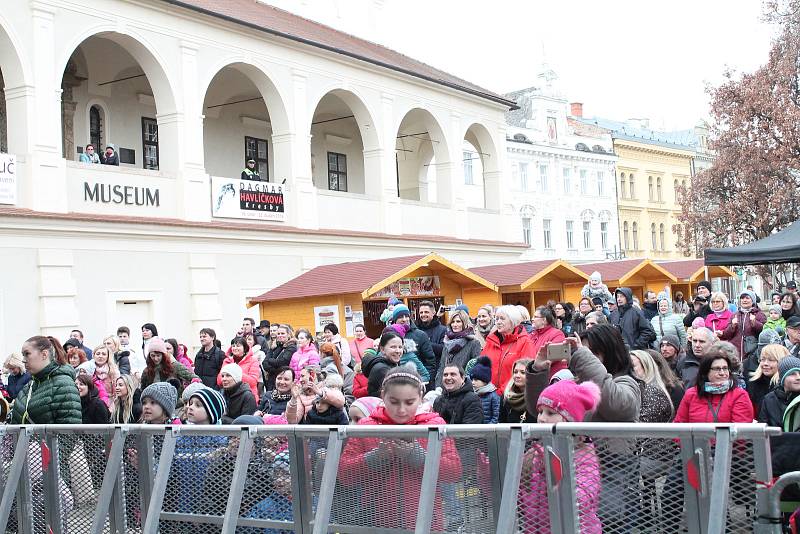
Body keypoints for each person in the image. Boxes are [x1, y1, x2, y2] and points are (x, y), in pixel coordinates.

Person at [527, 324, 640, 533]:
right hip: (574, 466)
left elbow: (615, 404)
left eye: (590, 353)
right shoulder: (575, 385)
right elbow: (543, 406)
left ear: (608, 352)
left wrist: (582, 357)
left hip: (613, 472)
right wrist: (539, 368)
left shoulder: (626, 383)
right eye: (580, 352)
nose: (581, 356)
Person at [337, 368, 461, 531]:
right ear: (383, 396)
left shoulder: (435, 425)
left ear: (420, 398)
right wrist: (375, 457)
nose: (401, 410)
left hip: (425, 523)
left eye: (409, 402)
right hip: (377, 523)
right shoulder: (367, 427)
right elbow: (344, 474)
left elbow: (454, 471)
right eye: (394, 402)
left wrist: (418, 456)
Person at [519, 379, 602, 534]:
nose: (542, 418)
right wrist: (493, 473)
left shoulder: (584, 456)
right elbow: (517, 498)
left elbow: (582, 498)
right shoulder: (534, 454)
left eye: (550, 413)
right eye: (540, 412)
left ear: (570, 420)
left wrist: (554, 472)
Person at [674, 346, 754, 423]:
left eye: (725, 368)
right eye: (717, 369)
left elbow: (740, 432)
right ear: (706, 372)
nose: (722, 373)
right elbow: (679, 427)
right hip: (695, 437)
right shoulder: (691, 394)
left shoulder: (739, 395)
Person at [11, 336, 81, 424]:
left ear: (44, 354)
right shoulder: (31, 384)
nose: (23, 360)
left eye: (27, 354)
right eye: (23, 355)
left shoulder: (64, 385)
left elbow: (69, 432)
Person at [481, 305, 536, 392]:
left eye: (502, 319)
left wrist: (501, 393)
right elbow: (481, 367)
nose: (498, 322)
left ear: (513, 321)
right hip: (488, 395)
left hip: (512, 396)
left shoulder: (525, 343)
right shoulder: (491, 341)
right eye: (497, 318)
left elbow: (526, 372)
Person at [435, 309, 484, 387]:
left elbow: (475, 368)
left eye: (458, 321)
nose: (454, 324)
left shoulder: (473, 343)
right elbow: (441, 368)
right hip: (445, 387)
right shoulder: (447, 342)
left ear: (464, 323)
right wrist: (438, 387)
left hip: (463, 388)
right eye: (452, 322)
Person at [390, 304, 437, 385]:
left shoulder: (420, 335)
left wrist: (425, 381)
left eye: (406, 316)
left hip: (417, 382)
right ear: (395, 319)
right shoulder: (388, 335)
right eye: (401, 317)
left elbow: (430, 361)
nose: (404, 319)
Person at [722, 290, 766, 363]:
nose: (744, 300)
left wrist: (755, 323)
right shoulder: (734, 315)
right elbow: (726, 335)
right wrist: (732, 326)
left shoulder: (760, 315)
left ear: (753, 301)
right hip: (735, 353)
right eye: (742, 298)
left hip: (751, 353)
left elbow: (763, 332)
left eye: (747, 298)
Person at [748, 344, 789, 416]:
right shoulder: (753, 384)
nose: (765, 363)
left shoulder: (788, 387)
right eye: (763, 359)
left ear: (782, 362)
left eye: (771, 360)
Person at [760, 356, 800, 427]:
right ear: (783, 378)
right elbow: (763, 428)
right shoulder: (769, 400)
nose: (798, 377)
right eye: (792, 374)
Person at [529, 306, 567, 377]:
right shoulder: (532, 335)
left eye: (535, 317)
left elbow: (554, 356)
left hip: (551, 378)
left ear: (544, 320)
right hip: (535, 376)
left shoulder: (557, 334)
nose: (532, 319)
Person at [362, 332, 403, 397]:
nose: (398, 351)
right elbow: (397, 394)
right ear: (382, 349)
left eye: (400, 347)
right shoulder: (381, 369)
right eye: (393, 347)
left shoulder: (392, 364)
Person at [263, 324, 298, 391]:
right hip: (272, 381)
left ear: (288, 335)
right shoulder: (278, 346)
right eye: (278, 334)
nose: (280, 335)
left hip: (283, 382)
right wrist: (271, 349)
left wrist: (270, 361)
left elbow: (282, 362)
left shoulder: (292, 347)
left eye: (282, 333)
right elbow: (264, 363)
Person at [416, 300, 448, 365]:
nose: (423, 314)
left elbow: (444, 349)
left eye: (426, 312)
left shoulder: (443, 330)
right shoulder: (416, 329)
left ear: (433, 313)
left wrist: (425, 343)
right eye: (421, 312)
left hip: (436, 368)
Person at [469, 356, 499, 424]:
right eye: (472, 379)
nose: (473, 382)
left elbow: (496, 417)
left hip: (489, 431)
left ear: (484, 380)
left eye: (476, 380)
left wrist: (487, 429)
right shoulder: (472, 394)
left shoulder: (493, 396)